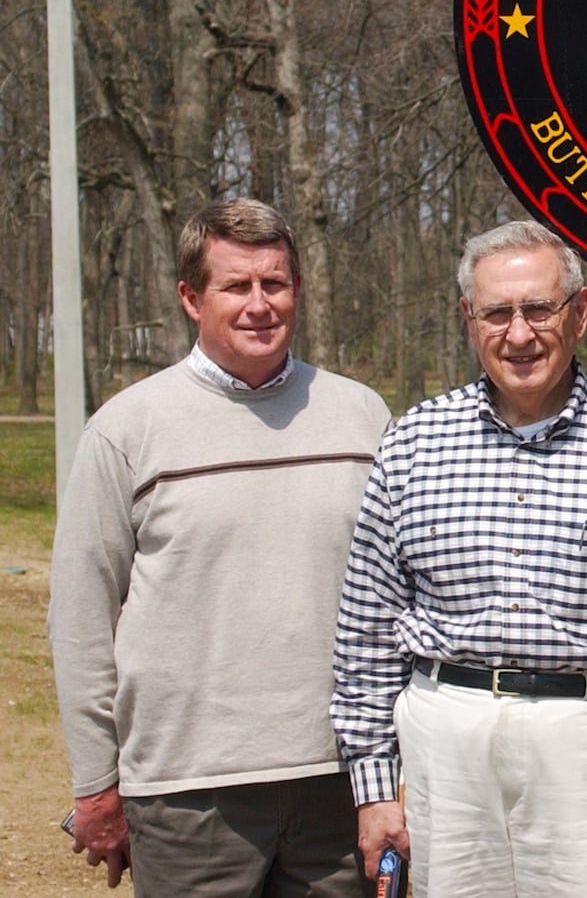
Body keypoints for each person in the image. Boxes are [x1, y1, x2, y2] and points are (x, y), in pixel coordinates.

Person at [331, 218, 587, 897]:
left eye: (539, 308)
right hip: (445, 744)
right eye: (497, 312)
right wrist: (373, 788)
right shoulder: (413, 442)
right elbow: (365, 628)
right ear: (469, 318)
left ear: (579, 312)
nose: (518, 334)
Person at [48, 198, 392, 894]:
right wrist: (96, 784)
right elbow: (81, 618)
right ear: (190, 297)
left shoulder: (362, 416)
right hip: (187, 792)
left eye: (276, 283)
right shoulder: (128, 430)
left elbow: (400, 594)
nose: (260, 304)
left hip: (342, 782)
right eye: (237, 286)